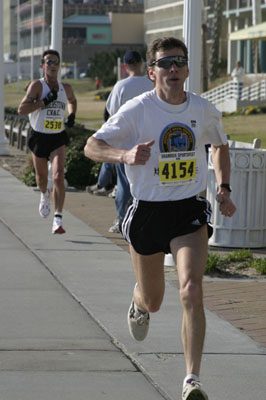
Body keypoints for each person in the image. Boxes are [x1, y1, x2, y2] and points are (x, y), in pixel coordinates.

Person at [84, 37, 236, 400]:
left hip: (188, 210)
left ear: (186, 70)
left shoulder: (202, 108)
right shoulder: (138, 110)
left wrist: (224, 187)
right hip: (148, 211)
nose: (173, 69)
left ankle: (191, 380)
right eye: (165, 63)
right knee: (154, 299)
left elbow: (220, 145)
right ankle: (139, 303)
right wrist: (124, 155)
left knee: (191, 289)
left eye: (179, 62)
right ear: (151, 71)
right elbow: (92, 146)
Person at [18, 49, 77, 234]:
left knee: (58, 175)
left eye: (55, 62)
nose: (52, 65)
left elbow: (72, 100)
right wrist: (43, 102)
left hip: (58, 136)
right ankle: (44, 194)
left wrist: (72, 114)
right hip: (39, 136)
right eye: (49, 62)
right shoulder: (37, 86)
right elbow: (22, 109)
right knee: (42, 178)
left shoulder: (65, 87)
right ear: (43, 66)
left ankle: (58, 219)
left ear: (59, 66)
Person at [105, 50, 154, 233]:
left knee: (124, 186)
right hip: (150, 142)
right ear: (142, 63)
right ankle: (145, 220)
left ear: (125, 66)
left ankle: (122, 221)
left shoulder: (121, 86)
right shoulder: (151, 84)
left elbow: (112, 113)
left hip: (126, 144)